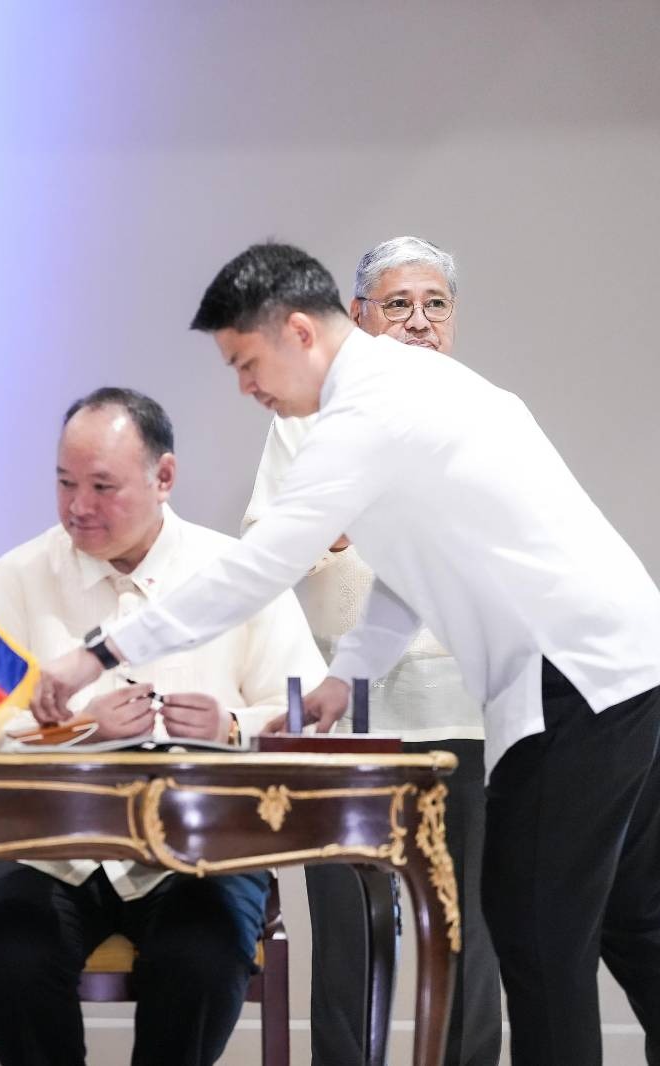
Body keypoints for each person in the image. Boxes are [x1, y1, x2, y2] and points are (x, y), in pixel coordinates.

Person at [34, 242, 660, 1066]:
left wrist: (98, 653)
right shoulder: (414, 391)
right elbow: (419, 561)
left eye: (246, 363)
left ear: (299, 332)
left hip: (573, 678)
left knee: (538, 937)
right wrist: (346, 677)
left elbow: (259, 569)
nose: (245, 386)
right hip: (625, 665)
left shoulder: (364, 414)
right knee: (634, 923)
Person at [0, 387, 325, 1066]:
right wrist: (74, 731)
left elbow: (306, 717)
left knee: (201, 956)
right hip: (46, 844)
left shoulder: (234, 575)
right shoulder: (16, 577)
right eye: (65, 483)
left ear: (164, 477)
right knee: (12, 955)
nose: (78, 506)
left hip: (196, 845)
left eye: (102, 487)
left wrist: (231, 728)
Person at [244, 236, 499, 1066]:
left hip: (461, 707)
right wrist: (336, 525)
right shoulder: (307, 415)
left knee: (466, 922)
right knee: (350, 928)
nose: (419, 321)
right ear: (359, 318)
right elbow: (264, 546)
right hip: (342, 715)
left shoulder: (483, 415)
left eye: (436, 305)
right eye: (398, 304)